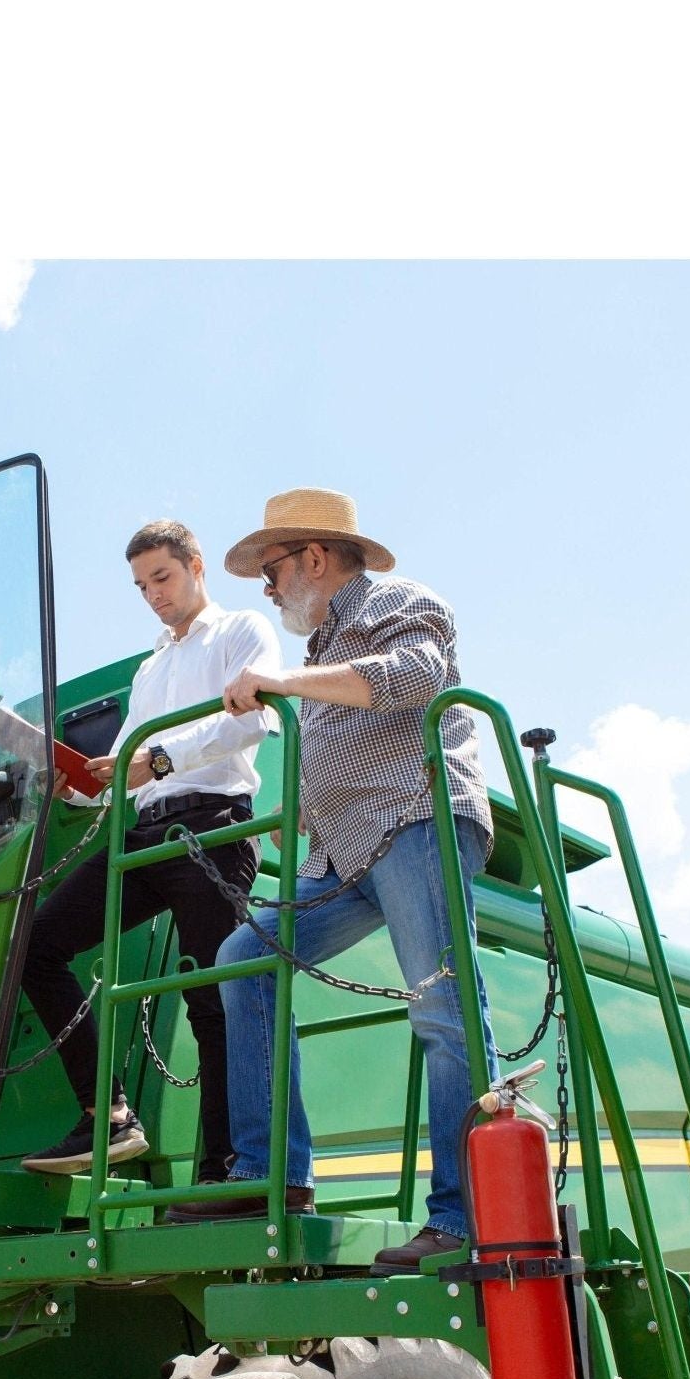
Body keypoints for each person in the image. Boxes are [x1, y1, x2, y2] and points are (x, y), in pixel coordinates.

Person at [164, 488, 497, 1278]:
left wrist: (277, 683)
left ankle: (463, 1220)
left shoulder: (397, 601)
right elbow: (348, 741)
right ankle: (271, 1171)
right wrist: (303, 810)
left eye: (272, 571)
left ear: (315, 557)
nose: (269, 590)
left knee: (443, 1009)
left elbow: (411, 679)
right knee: (246, 956)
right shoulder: (319, 657)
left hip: (417, 819)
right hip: (347, 851)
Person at [20, 520, 281, 1179]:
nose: (153, 595)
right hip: (143, 835)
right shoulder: (151, 668)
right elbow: (126, 771)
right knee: (38, 944)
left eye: (161, 577)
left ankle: (223, 1175)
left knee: (211, 1001)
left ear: (196, 566)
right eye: (141, 586)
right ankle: (107, 1118)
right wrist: (77, 789)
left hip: (211, 831)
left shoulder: (243, 631)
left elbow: (251, 719)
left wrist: (157, 758)